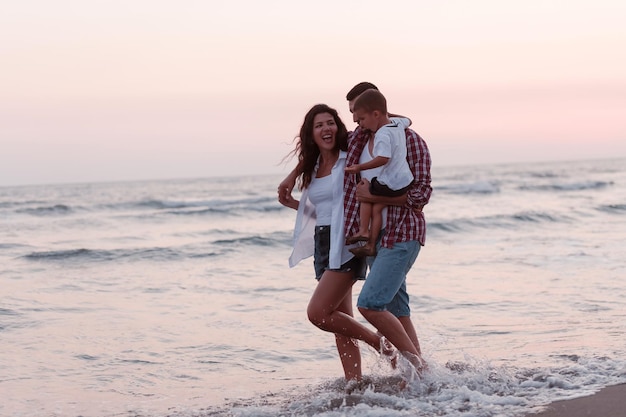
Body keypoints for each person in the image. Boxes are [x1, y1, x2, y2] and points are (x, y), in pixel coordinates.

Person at [278, 103, 395, 384]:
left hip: (347, 242)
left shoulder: (349, 159)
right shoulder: (314, 167)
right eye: (318, 125)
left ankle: (382, 344)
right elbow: (322, 213)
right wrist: (293, 199)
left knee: (318, 313)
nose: (325, 129)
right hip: (323, 243)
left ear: (338, 126)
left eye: (330, 122)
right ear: (311, 133)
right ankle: (355, 384)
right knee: (339, 322)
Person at [344, 82, 432, 378]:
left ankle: (418, 367)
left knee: (370, 304)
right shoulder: (360, 142)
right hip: (374, 239)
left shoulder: (410, 140)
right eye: (353, 117)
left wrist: (373, 197)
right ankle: (418, 377)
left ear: (375, 109)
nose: (356, 122)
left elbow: (421, 195)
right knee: (398, 310)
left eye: (359, 115)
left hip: (403, 233)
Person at [344, 89, 414, 258]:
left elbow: (383, 158)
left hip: (392, 183)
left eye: (361, 118)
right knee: (377, 208)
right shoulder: (397, 124)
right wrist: (386, 114)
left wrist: (359, 168)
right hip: (404, 181)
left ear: (375, 114)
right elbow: (409, 120)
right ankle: (370, 242)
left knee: (366, 191)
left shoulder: (382, 134)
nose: (358, 123)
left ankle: (364, 231)